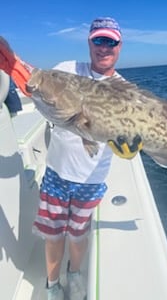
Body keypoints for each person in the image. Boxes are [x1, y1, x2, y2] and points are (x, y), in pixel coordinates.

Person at [0, 17, 142, 300]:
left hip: (91, 180)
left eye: (110, 41)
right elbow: (28, 77)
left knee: (78, 235)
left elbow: (129, 143)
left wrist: (129, 147)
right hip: (56, 173)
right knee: (53, 235)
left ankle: (74, 272)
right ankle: (53, 284)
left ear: (120, 45)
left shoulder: (126, 90)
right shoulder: (66, 70)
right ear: (89, 42)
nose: (104, 47)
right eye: (98, 40)